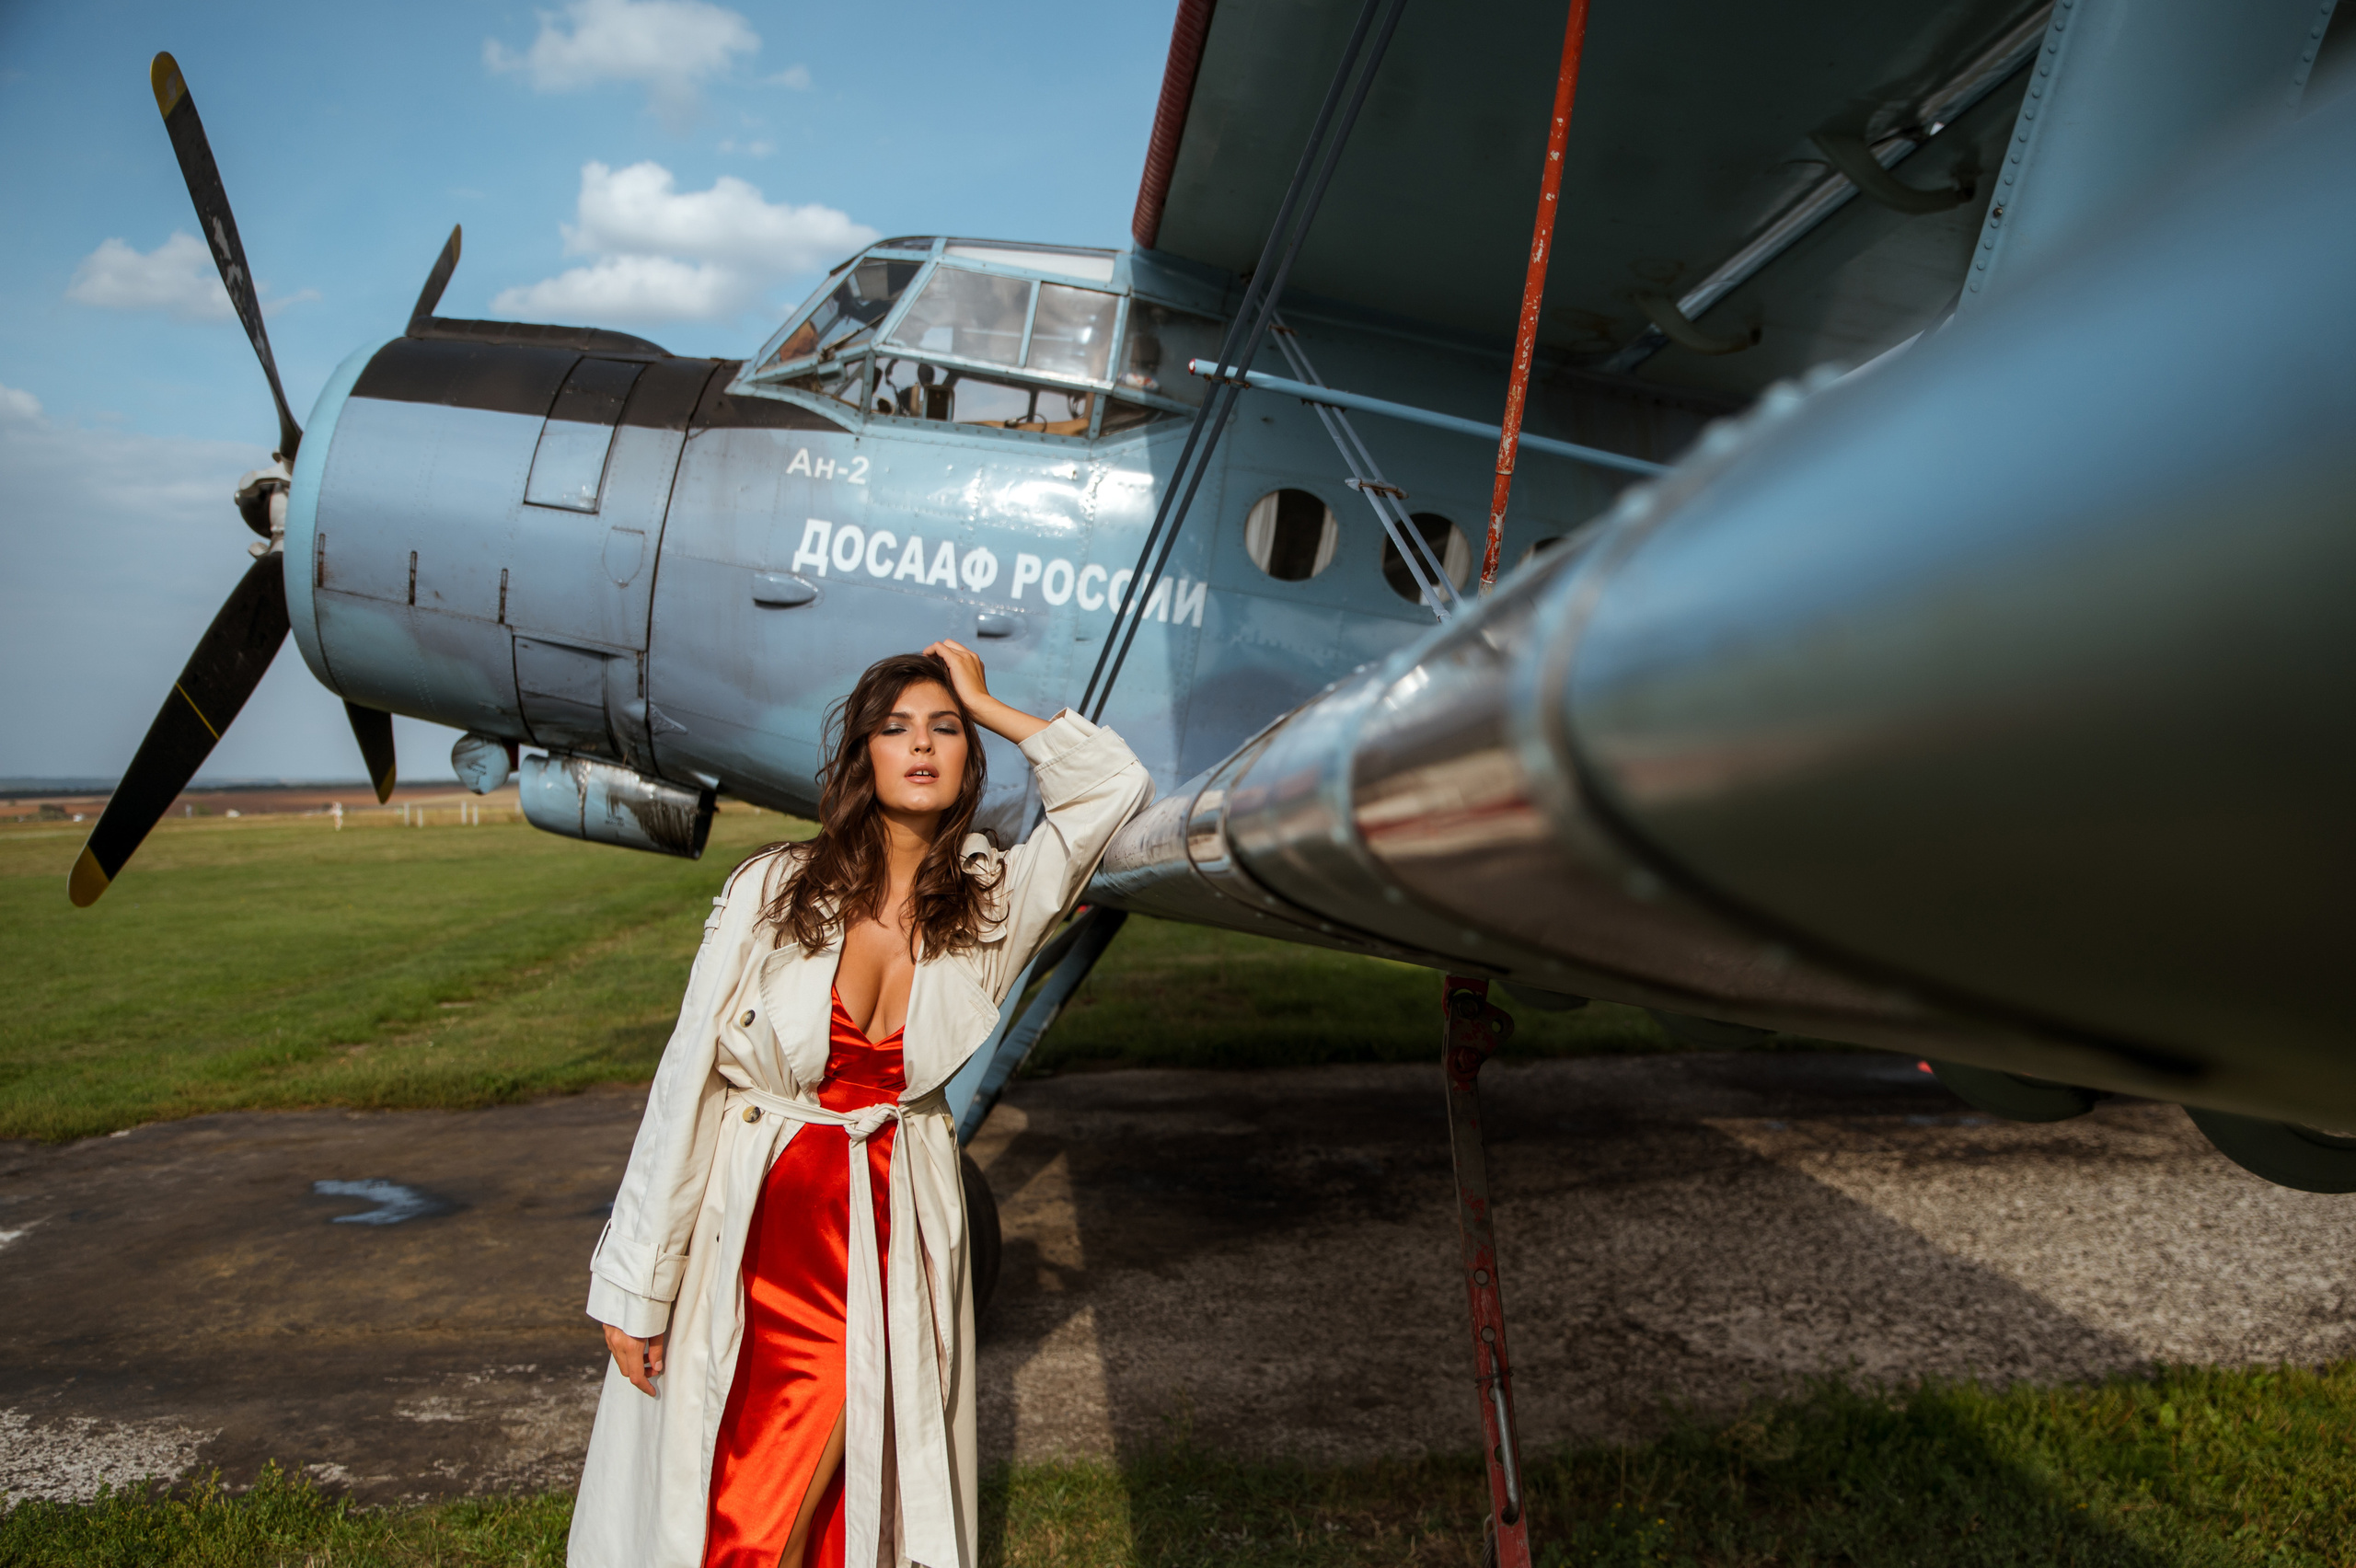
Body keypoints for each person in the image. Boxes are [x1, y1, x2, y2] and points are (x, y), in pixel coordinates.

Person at [569, 642, 1153, 1568]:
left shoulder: (992, 902)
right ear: (861, 758)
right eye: (895, 729)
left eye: (945, 729)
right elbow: (687, 1081)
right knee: (731, 1489)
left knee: (806, 1500)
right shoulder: (775, 888)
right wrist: (638, 1285)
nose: (921, 745)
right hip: (759, 1225)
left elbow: (1111, 789)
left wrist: (990, 702)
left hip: (889, 1235)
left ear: (968, 760)